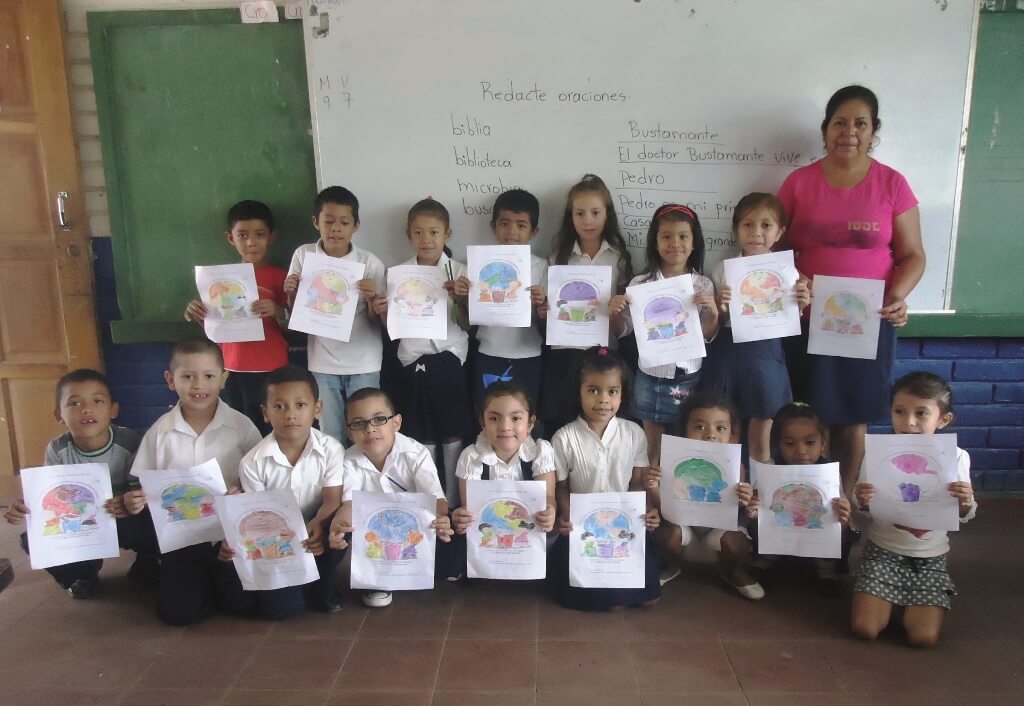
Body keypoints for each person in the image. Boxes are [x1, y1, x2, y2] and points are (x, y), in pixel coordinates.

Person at [778, 85, 926, 496]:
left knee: (853, 416)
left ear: (874, 129)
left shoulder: (892, 184)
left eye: (860, 122)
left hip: (866, 324)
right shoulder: (799, 183)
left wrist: (897, 296)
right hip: (807, 319)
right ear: (825, 129)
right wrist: (793, 280)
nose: (849, 131)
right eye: (839, 122)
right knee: (804, 417)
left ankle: (840, 506)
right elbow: (772, 247)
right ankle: (800, 505)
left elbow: (913, 255)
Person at [123, 338, 263, 626]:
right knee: (179, 614)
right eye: (188, 376)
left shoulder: (241, 426)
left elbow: (261, 479)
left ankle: (215, 577)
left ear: (224, 378)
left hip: (229, 535)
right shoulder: (160, 432)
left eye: (209, 376)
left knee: (241, 605)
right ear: (170, 380)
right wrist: (135, 499)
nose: (199, 386)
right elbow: (142, 484)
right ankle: (181, 575)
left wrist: (244, 492)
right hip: (181, 537)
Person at [3, 369, 157, 598]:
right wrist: (27, 508)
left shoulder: (129, 442)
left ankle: (147, 563)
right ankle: (81, 575)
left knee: (153, 518)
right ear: (59, 415)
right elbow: (51, 496)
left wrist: (129, 502)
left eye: (97, 401)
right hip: (83, 523)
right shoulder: (58, 449)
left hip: (124, 518)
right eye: (74, 403)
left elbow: (140, 491)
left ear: (113, 410)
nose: (86, 409)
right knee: (32, 540)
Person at [851, 372, 975, 648]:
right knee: (865, 629)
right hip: (883, 550)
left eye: (921, 413)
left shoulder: (955, 457)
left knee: (924, 638)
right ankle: (885, 601)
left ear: (943, 419)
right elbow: (864, 506)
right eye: (899, 411)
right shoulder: (878, 453)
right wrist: (862, 498)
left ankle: (904, 605)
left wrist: (965, 500)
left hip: (929, 557)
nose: (909, 422)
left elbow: (964, 513)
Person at [225, 366, 346, 618]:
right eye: (279, 406)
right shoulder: (253, 462)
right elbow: (259, 516)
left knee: (341, 528)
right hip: (276, 536)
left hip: (317, 525)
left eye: (300, 405)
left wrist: (317, 523)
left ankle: (323, 586)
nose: (291, 414)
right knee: (278, 610)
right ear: (265, 413)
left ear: (317, 409)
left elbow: (332, 500)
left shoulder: (331, 449)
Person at [372, 199, 471, 508]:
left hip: (449, 356)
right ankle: (431, 500)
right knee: (422, 431)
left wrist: (462, 299)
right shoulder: (397, 274)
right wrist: (380, 312)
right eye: (418, 232)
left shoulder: (460, 272)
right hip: (411, 359)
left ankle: (453, 502)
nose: (426, 239)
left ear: (447, 234)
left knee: (452, 429)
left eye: (433, 232)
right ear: (409, 235)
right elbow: (391, 327)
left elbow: (470, 324)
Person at [550, 347, 660, 611]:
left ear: (623, 394)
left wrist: (645, 511)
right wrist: (567, 516)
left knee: (651, 599)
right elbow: (562, 487)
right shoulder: (564, 438)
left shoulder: (634, 434)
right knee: (611, 604)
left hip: (621, 526)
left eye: (612, 391)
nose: (603, 400)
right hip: (583, 529)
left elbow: (636, 483)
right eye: (593, 390)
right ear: (579, 392)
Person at [703, 194, 810, 463]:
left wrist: (801, 302)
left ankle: (759, 498)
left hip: (765, 356)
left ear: (780, 231)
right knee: (726, 429)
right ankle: (730, 496)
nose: (756, 233)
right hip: (728, 354)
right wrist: (722, 307)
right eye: (747, 225)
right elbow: (715, 322)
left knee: (762, 435)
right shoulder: (721, 270)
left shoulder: (789, 272)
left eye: (766, 225)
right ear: (736, 229)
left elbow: (789, 321)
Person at [610, 204, 719, 465]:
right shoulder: (640, 284)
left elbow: (705, 336)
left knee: (686, 447)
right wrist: (614, 313)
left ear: (694, 243)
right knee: (653, 451)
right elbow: (622, 330)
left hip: (688, 376)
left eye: (683, 236)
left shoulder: (703, 284)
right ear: (655, 242)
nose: (675, 243)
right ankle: (654, 503)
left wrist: (714, 315)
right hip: (651, 376)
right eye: (666, 236)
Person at [329, 388, 454, 608]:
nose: (370, 429)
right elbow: (348, 504)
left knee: (449, 560)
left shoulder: (416, 453)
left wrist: (441, 518)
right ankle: (375, 582)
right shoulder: (348, 460)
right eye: (359, 423)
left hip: (413, 527)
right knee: (347, 531)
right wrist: (340, 522)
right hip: (375, 532)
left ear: (396, 423)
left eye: (379, 419)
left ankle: (423, 567)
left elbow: (437, 501)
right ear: (349, 432)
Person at [283, 186, 386, 444]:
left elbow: (379, 322)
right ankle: (336, 484)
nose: (336, 229)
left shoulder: (369, 262)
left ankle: (363, 484)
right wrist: (292, 293)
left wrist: (373, 298)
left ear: (356, 225)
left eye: (344, 222)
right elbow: (295, 316)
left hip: (364, 361)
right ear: (316, 222)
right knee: (330, 434)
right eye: (328, 221)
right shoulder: (303, 255)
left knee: (366, 433)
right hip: (322, 362)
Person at [539, 174, 633, 434]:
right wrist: (544, 311)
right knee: (562, 423)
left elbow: (622, 322)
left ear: (607, 214)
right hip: (564, 351)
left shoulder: (618, 258)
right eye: (579, 213)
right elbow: (551, 307)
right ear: (571, 216)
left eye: (595, 212)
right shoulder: (559, 255)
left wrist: (617, 308)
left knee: (596, 425)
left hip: (603, 352)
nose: (587, 220)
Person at [184, 200, 288, 434]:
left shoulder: (281, 276)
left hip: (272, 367)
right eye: (242, 235)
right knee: (235, 432)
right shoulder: (220, 280)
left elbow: (295, 324)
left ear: (271, 237)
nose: (251, 242)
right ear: (230, 238)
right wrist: (198, 313)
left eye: (259, 234)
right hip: (232, 368)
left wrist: (278, 311)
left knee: (271, 430)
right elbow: (216, 325)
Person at [647, 392, 763, 600]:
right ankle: (672, 567)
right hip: (684, 536)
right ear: (684, 432)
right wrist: (653, 486)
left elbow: (737, 508)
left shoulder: (735, 466)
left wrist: (744, 499)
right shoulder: (672, 462)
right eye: (700, 427)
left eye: (720, 428)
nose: (710, 435)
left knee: (735, 543)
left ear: (733, 436)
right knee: (665, 534)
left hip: (716, 540)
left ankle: (731, 572)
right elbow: (663, 506)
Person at [746, 402, 852, 595]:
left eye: (809, 442)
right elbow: (759, 506)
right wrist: (754, 510)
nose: (801, 450)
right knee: (759, 517)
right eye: (789, 443)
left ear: (823, 444)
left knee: (836, 523)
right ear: (778, 444)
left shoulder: (828, 473)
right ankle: (767, 558)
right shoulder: (771, 468)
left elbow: (841, 511)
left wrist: (843, 514)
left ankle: (826, 568)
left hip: (812, 522)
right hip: (783, 522)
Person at [471, 190, 549, 414]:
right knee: (488, 415)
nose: (512, 231)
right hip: (489, 353)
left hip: (528, 354)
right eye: (504, 223)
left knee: (524, 417)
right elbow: (469, 317)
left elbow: (545, 318)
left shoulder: (542, 267)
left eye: (521, 225)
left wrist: (540, 304)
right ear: (493, 226)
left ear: (534, 231)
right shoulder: (479, 264)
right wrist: (462, 295)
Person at [452, 381, 557, 541]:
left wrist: (550, 511)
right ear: (483, 422)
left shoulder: (541, 452)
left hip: (529, 541)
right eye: (494, 418)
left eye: (515, 418)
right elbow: (469, 510)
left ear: (530, 423)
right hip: (490, 541)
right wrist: (461, 519)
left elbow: (548, 498)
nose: (505, 427)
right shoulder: (471, 458)